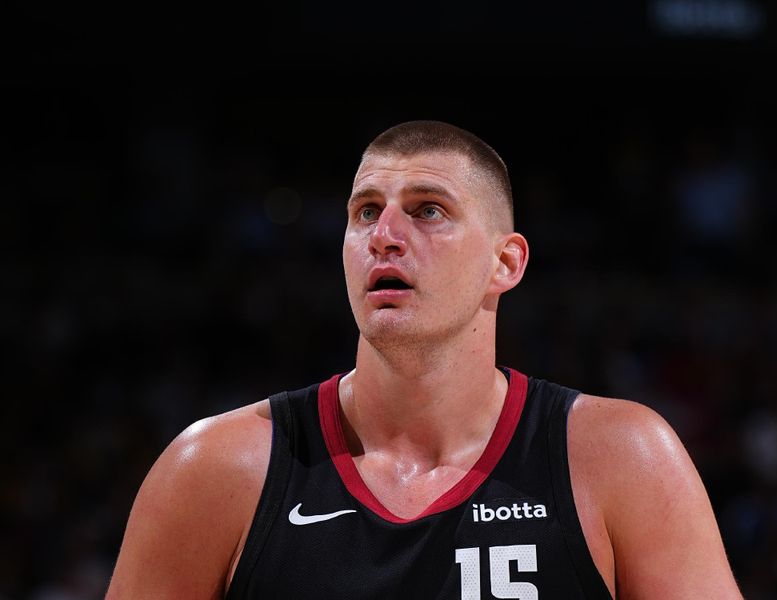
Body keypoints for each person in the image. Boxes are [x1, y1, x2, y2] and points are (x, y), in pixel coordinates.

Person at [106, 120, 742, 599]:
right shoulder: (216, 470)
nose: (384, 235)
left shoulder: (621, 458)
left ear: (506, 262)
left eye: (427, 210)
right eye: (364, 213)